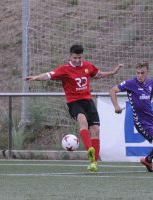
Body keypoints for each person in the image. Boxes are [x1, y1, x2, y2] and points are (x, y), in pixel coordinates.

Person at [26, 44, 124, 172]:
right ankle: (90, 149)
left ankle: (93, 162)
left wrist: (113, 72)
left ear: (82, 56)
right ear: (70, 57)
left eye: (79, 58)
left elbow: (98, 74)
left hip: (88, 101)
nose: (77, 60)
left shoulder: (87, 66)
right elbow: (48, 75)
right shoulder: (64, 69)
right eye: (74, 58)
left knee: (96, 129)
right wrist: (36, 77)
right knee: (82, 121)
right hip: (74, 102)